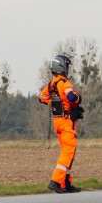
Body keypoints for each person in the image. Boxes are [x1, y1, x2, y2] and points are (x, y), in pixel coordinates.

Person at [38, 54, 83, 193]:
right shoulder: (64, 82)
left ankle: (66, 184)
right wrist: (78, 100)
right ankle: (56, 181)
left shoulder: (51, 85)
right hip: (67, 122)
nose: (68, 68)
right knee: (69, 151)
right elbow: (71, 96)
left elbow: (42, 98)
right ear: (62, 66)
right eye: (67, 65)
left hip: (57, 121)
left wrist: (53, 103)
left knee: (66, 152)